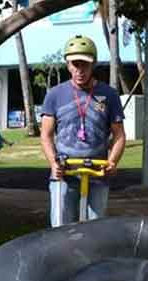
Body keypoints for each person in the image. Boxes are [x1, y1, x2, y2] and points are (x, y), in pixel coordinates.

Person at [40, 35, 126, 227]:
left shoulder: (109, 95)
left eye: (84, 65)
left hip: (97, 172)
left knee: (96, 228)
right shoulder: (55, 95)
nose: (80, 70)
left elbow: (119, 135)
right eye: (75, 64)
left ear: (93, 64)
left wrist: (112, 162)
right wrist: (54, 163)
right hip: (65, 172)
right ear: (68, 65)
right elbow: (46, 135)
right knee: (61, 227)